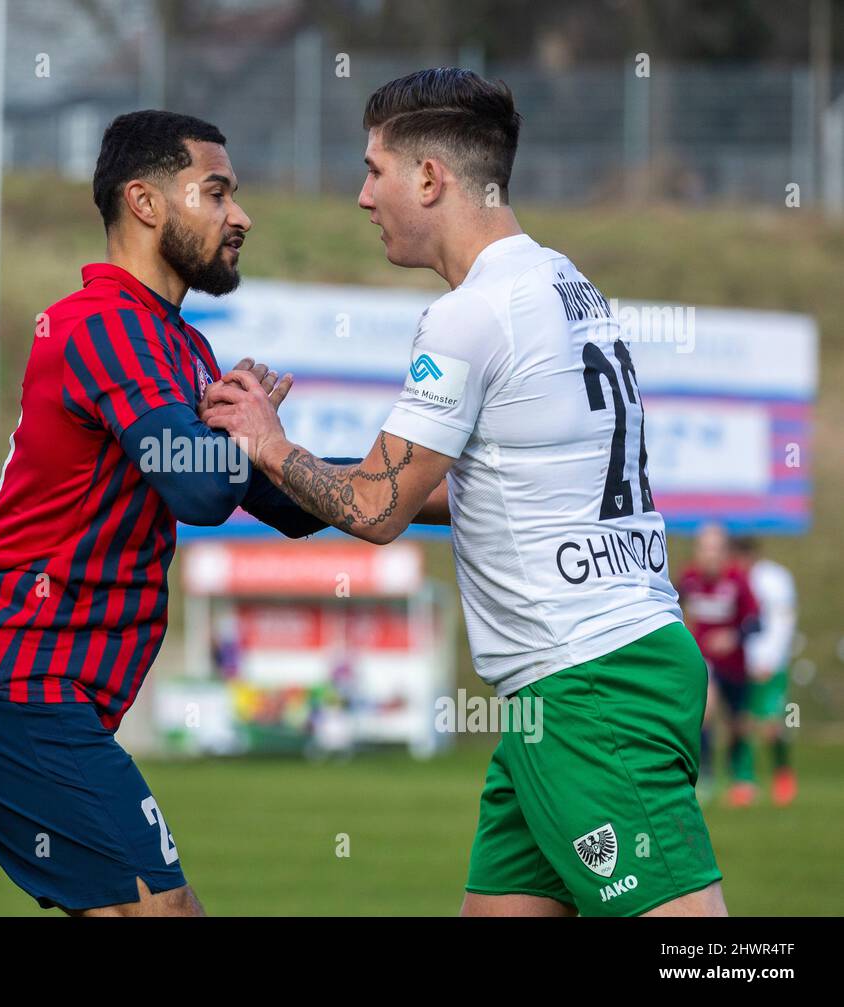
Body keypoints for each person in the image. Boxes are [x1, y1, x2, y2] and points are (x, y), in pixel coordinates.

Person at [203, 68, 725, 917]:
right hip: (566, 685)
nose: (363, 195)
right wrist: (293, 471)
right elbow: (479, 490)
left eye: (374, 170)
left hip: (587, 684)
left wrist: (268, 443)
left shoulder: (471, 314)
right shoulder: (565, 283)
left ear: (431, 179)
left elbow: (376, 509)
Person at [0, 110, 338, 916]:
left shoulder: (181, 347)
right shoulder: (107, 324)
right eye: (218, 191)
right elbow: (199, 489)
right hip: (9, 675)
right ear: (146, 201)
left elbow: (289, 505)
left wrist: (429, 483)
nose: (241, 215)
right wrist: (248, 437)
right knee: (155, 908)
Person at [677, 524, 761, 806]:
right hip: (704, 662)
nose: (709, 555)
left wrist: (733, 636)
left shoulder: (738, 579)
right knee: (706, 711)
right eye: (704, 548)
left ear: (725, 552)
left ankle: (741, 777)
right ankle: (707, 776)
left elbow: (756, 622)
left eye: (715, 548)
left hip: (735, 664)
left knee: (738, 723)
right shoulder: (689, 577)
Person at [733, 536, 797, 804]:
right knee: (744, 723)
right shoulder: (734, 581)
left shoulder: (775, 578)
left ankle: (783, 774)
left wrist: (770, 659)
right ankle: (745, 781)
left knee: (773, 725)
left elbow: (784, 620)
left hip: (771, 664)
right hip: (743, 664)